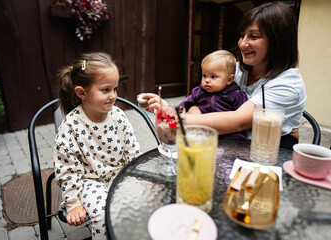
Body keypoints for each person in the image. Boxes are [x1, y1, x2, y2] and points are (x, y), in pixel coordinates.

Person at [140, 2, 306, 150]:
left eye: (253, 36)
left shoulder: (288, 84)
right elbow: (203, 98)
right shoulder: (240, 70)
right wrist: (192, 110)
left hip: (272, 149)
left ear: (278, 41)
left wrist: (176, 117)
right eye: (242, 35)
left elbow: (238, 120)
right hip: (231, 142)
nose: (242, 43)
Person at [54, 52, 141, 240]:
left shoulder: (118, 116)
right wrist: (73, 202)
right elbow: (67, 169)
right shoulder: (70, 126)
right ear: (81, 93)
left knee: (140, 202)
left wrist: (138, 178)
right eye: (106, 90)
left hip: (119, 173)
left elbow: (132, 150)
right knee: (104, 213)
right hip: (88, 182)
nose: (113, 96)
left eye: (115, 89)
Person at [177, 50, 248, 141]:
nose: (207, 80)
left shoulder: (235, 94)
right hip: (205, 130)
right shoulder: (199, 92)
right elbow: (186, 102)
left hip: (228, 133)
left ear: (229, 79)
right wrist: (176, 111)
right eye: (204, 75)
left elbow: (244, 113)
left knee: (238, 140)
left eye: (213, 77)